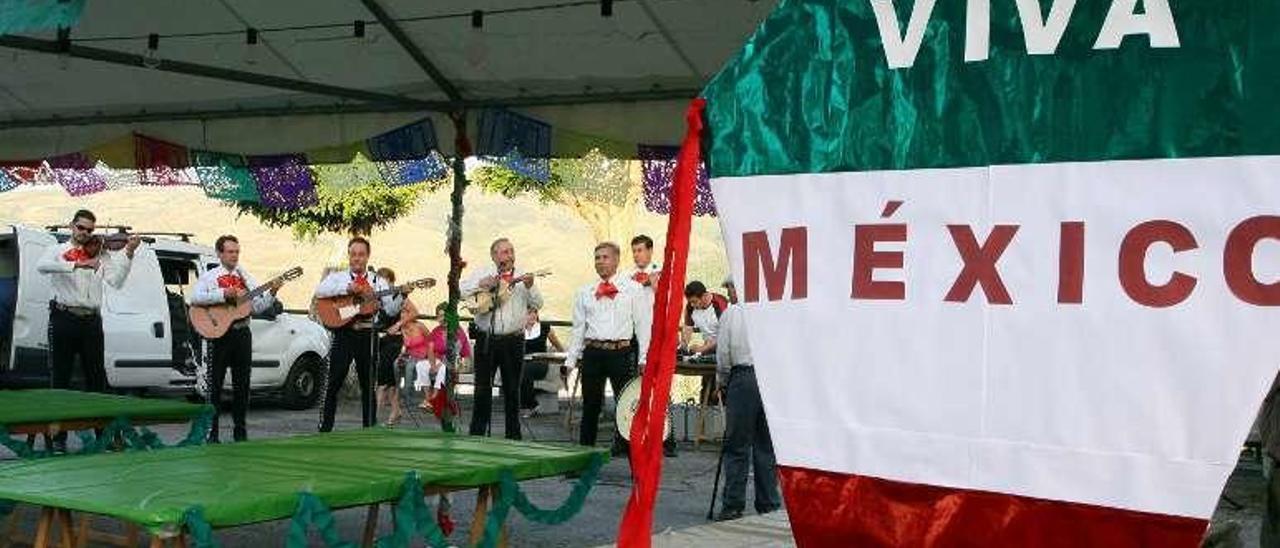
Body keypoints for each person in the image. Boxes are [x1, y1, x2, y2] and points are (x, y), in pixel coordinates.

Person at [36, 210, 140, 452]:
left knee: (96, 378)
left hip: (91, 320)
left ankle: (104, 436)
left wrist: (129, 253)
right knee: (60, 378)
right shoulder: (57, 249)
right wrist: (77, 263)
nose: (85, 233)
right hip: (63, 316)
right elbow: (42, 266)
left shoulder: (101, 253)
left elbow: (116, 280)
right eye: (81, 228)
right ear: (72, 226)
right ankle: (57, 437)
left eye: (89, 230)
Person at [189, 235, 280, 443]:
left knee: (242, 384)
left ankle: (240, 431)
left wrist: (272, 292)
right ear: (220, 253)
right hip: (219, 334)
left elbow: (256, 307)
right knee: (215, 385)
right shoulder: (210, 276)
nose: (234, 256)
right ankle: (212, 432)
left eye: (237, 252)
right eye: (230, 252)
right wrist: (223, 294)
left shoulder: (246, 277)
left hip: (241, 334)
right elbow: (195, 298)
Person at [564, 242, 651, 456]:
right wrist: (570, 361)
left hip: (621, 352)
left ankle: (635, 461)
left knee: (626, 407)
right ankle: (583, 458)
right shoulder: (585, 292)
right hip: (593, 352)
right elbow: (578, 329)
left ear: (617, 259)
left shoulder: (633, 289)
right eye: (597, 258)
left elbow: (643, 325)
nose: (600, 262)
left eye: (605, 257)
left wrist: (644, 358)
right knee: (590, 407)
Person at [313, 237, 408, 432]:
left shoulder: (378, 281)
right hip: (344, 334)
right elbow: (320, 291)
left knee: (368, 384)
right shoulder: (338, 277)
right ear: (349, 255)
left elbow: (390, 310)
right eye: (353, 254)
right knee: (334, 381)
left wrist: (402, 295)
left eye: (361, 255)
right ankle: (325, 428)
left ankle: (368, 428)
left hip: (367, 335)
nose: (357, 258)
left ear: (367, 257)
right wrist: (346, 288)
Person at [461, 238, 542, 440]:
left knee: (513, 389)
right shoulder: (482, 271)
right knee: (482, 388)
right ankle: (477, 434)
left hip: (513, 340)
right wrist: (481, 283)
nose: (509, 256)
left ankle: (513, 436)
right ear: (494, 256)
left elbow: (538, 303)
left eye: (511, 251)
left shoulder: (523, 275)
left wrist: (530, 286)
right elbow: (462, 291)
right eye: (504, 252)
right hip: (486, 338)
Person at [714, 300, 781, 521]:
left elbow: (723, 354)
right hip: (771, 377)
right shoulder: (774, 310)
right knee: (766, 445)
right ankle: (768, 502)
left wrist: (722, 380)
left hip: (744, 377)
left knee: (737, 445)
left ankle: (733, 504)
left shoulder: (732, 313)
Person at [628, 234, 678, 457]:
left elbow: (670, 301)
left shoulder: (661, 273)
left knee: (659, 391)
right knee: (632, 390)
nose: (637, 255)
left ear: (650, 251)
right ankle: (632, 436)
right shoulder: (629, 277)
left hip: (655, 339)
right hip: (633, 338)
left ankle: (667, 440)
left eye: (641, 250)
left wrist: (655, 284)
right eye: (635, 251)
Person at [417, 302, 473, 411]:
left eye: (444, 315)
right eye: (439, 316)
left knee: (444, 368)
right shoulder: (436, 331)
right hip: (440, 361)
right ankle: (428, 398)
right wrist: (433, 366)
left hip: (459, 362)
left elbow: (455, 353)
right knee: (421, 365)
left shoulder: (457, 330)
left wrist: (439, 365)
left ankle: (434, 399)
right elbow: (430, 349)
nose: (442, 319)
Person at [375, 267, 409, 426]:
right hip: (381, 340)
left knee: (382, 380)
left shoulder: (397, 295)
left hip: (393, 341)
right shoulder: (376, 296)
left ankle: (372, 418)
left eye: (385, 279)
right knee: (389, 381)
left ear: (391, 281)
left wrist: (398, 325)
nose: (382, 283)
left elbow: (414, 312)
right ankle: (395, 411)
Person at [520, 309, 565, 417]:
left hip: (540, 363)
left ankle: (530, 406)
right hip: (523, 362)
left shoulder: (544, 328)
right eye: (529, 313)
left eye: (534, 313)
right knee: (521, 369)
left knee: (524, 370)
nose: (532, 316)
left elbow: (558, 346)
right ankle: (529, 404)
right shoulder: (518, 330)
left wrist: (565, 359)